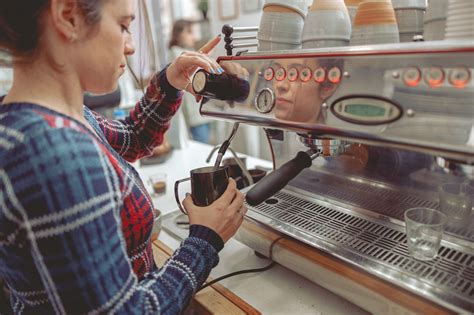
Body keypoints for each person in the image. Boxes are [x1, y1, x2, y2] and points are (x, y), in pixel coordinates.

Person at [0, 0, 246, 313]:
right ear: (68, 17)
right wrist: (205, 239)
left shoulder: (47, 117)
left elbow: (133, 139)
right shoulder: (55, 151)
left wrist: (170, 82)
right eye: (123, 26)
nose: (130, 47)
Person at [168, 19, 214, 143]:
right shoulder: (177, 54)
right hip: (195, 114)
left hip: (202, 110)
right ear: (177, 34)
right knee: (203, 145)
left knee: (207, 144)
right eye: (189, 32)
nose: (193, 36)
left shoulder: (189, 53)